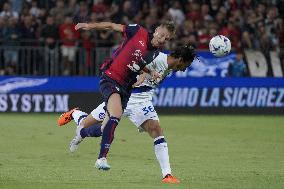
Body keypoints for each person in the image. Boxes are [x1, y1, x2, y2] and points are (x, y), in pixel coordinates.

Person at [58, 45, 196, 184]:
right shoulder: (156, 57)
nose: (184, 69)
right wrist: (142, 74)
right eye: (186, 65)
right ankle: (76, 114)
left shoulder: (169, 68)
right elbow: (135, 60)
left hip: (141, 102)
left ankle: (167, 175)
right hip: (121, 95)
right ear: (180, 59)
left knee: (156, 130)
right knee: (90, 126)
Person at [59, 21, 176, 171]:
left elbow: (138, 61)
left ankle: (79, 126)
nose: (162, 39)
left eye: (166, 39)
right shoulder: (137, 31)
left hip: (125, 89)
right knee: (115, 115)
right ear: (157, 29)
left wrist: (147, 72)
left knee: (103, 128)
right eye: (162, 35)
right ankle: (101, 159)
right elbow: (112, 26)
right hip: (110, 78)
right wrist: (90, 25)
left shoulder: (153, 53)